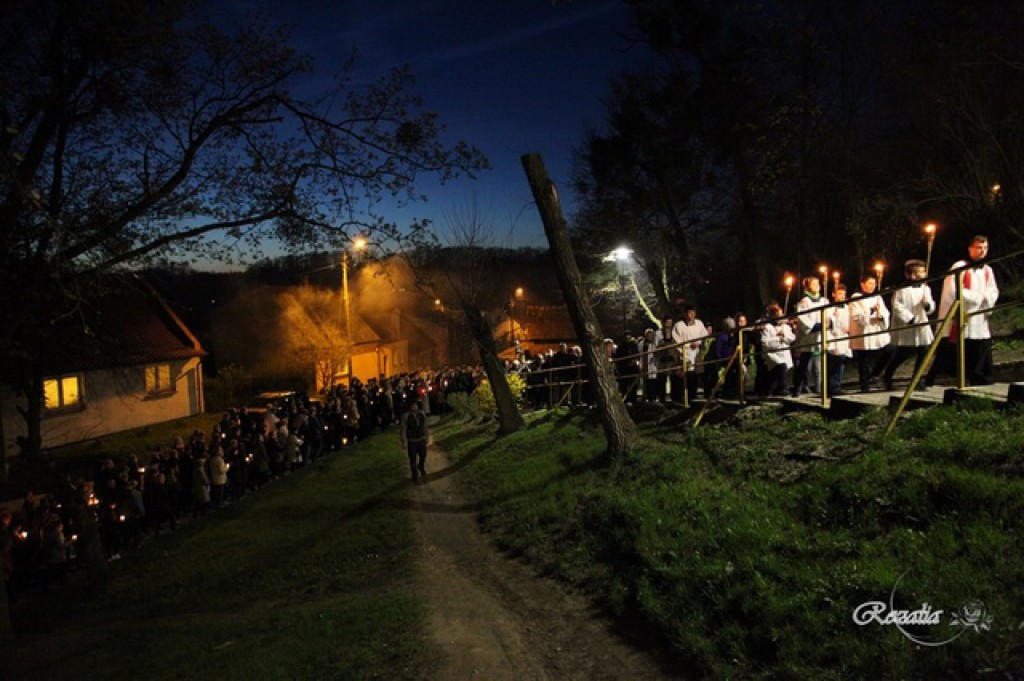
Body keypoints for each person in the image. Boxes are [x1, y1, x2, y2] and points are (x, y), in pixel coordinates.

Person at [929, 234, 999, 386]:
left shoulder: (987, 269)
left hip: (979, 313)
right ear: (970, 249)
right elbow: (953, 290)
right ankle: (932, 377)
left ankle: (979, 375)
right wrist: (978, 298)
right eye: (979, 247)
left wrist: (986, 299)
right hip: (962, 312)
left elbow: (993, 290)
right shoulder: (959, 267)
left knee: (981, 343)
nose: (982, 251)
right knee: (952, 346)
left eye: (985, 248)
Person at [883, 259, 935, 391]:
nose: (923, 275)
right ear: (910, 275)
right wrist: (910, 319)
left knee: (924, 351)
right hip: (907, 327)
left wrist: (928, 305)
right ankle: (887, 376)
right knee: (903, 354)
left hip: (921, 326)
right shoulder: (901, 290)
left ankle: (916, 379)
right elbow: (897, 307)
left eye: (923, 272)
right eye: (920, 272)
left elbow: (930, 304)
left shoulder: (925, 288)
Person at [849, 274, 891, 392]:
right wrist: (871, 311)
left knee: (890, 349)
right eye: (870, 283)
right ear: (862, 284)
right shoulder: (855, 298)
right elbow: (856, 317)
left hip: (877, 330)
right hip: (864, 332)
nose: (873, 286)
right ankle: (864, 386)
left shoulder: (877, 296)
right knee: (864, 359)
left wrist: (881, 315)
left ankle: (875, 373)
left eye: (874, 284)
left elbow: (885, 312)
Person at [791, 277, 827, 395]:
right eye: (814, 284)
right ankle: (797, 387)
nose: (817, 285)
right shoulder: (804, 302)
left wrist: (829, 323)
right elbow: (802, 319)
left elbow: (830, 314)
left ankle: (823, 388)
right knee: (804, 364)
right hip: (810, 337)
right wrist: (816, 326)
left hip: (821, 336)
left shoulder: (824, 300)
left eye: (818, 283)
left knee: (822, 363)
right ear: (807, 287)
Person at [671, 305, 706, 402]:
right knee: (683, 376)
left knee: (695, 376)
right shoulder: (679, 325)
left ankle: (692, 396)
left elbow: (704, 336)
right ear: (685, 314)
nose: (690, 315)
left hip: (696, 353)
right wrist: (684, 349)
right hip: (684, 354)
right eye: (688, 313)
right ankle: (681, 397)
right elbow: (676, 340)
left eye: (692, 313)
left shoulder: (699, 324)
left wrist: (698, 343)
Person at [760, 303, 795, 396]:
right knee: (781, 367)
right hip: (773, 354)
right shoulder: (768, 327)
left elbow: (792, 338)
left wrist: (784, 337)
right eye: (778, 314)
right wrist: (778, 339)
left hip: (784, 353)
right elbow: (765, 343)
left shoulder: (785, 327)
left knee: (778, 372)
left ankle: (770, 390)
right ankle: (781, 388)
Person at [826, 284, 853, 394]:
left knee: (841, 362)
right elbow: (828, 323)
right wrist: (833, 318)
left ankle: (836, 386)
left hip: (844, 338)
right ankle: (832, 387)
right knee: (836, 361)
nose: (842, 296)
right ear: (834, 294)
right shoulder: (829, 308)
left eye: (844, 294)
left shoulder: (847, 307)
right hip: (834, 338)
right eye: (840, 293)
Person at [400, 400, 430, 483]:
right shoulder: (406, 416)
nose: (414, 407)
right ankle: (415, 475)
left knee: (423, 455)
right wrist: (404, 441)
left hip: (421, 439)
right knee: (412, 459)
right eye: (413, 406)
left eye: (415, 405)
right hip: (412, 440)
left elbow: (425, 426)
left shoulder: (422, 414)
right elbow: (403, 429)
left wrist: (427, 436)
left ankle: (421, 466)